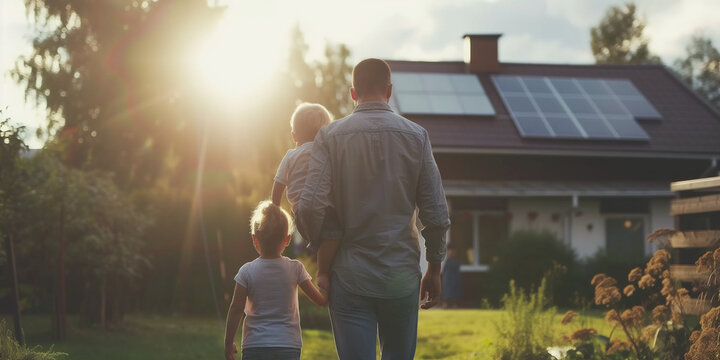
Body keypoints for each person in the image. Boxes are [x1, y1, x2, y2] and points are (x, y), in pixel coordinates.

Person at [295, 58, 451, 360]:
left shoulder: (329, 137)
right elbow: (436, 211)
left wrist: (322, 242)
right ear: (389, 90)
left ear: (353, 93)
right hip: (401, 275)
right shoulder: (417, 136)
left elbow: (311, 203)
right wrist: (434, 267)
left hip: (349, 275)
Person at [224, 201, 327, 360]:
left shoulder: (246, 272)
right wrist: (327, 283)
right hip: (287, 346)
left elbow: (236, 309)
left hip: (255, 346)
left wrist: (228, 343)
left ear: (255, 239)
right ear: (287, 239)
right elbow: (320, 300)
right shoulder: (295, 269)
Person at [270, 102, 341, 290]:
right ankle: (323, 272)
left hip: (299, 213)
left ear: (294, 135)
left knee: (328, 237)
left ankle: (321, 260)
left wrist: (275, 209)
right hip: (321, 209)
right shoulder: (325, 154)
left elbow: (279, 184)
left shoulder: (291, 155)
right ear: (325, 134)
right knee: (335, 234)